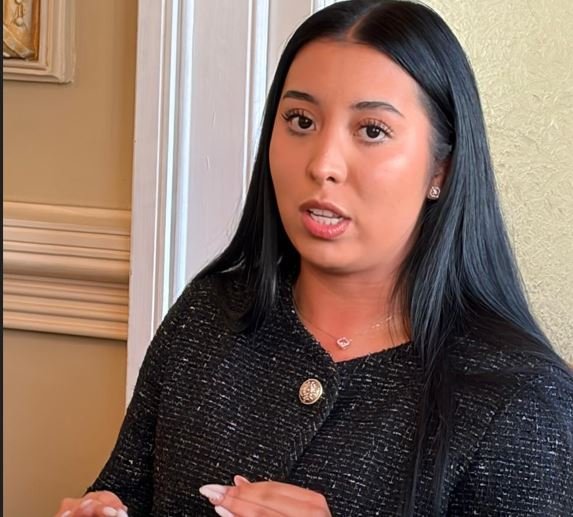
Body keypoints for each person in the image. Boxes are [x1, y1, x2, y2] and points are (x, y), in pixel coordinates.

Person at [56, 1, 573, 516]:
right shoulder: (210, 314)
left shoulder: (522, 400)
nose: (323, 164)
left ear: (442, 167)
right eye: (301, 121)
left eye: (372, 130)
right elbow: (123, 489)